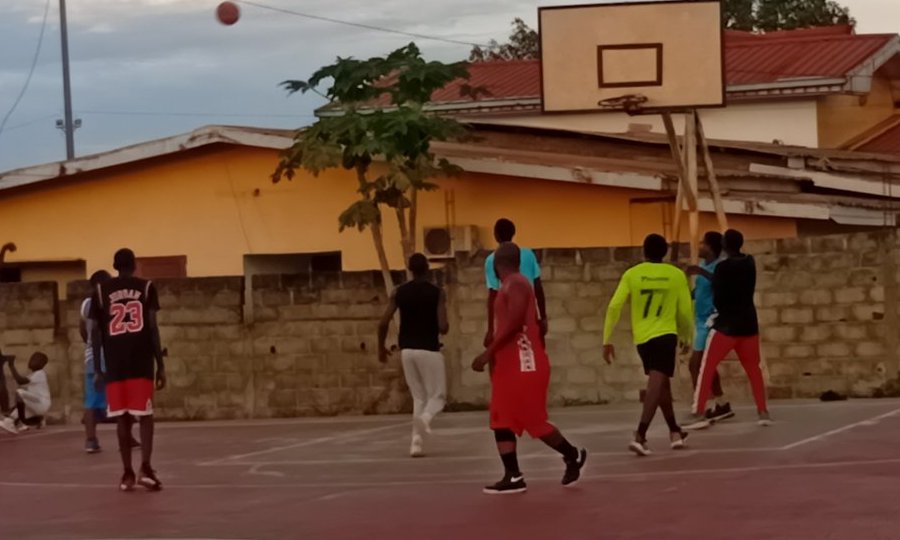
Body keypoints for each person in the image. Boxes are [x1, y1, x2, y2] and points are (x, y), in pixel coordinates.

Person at [472, 242, 586, 494]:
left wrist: (487, 352)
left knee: (534, 421)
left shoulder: (517, 284)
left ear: (496, 264)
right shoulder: (510, 284)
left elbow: (513, 323)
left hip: (525, 364)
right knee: (500, 417)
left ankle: (572, 455)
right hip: (510, 363)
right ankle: (513, 475)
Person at [602, 234, 693, 456]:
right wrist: (687, 336)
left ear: (644, 251)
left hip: (642, 338)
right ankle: (640, 434)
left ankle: (674, 431)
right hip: (665, 334)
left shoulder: (632, 274)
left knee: (660, 382)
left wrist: (607, 339)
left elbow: (614, 306)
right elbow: (684, 310)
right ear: (664, 252)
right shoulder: (676, 275)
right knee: (657, 383)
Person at [90, 248, 166, 492]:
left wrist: (99, 369)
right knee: (145, 416)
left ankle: (127, 473)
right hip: (141, 361)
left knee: (122, 418)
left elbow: (95, 333)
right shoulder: (146, 287)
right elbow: (152, 328)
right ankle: (146, 466)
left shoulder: (100, 291)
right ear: (134, 265)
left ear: (114, 265)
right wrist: (160, 365)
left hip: (115, 364)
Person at [690, 229, 772, 427]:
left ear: (725, 246)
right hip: (749, 324)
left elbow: (718, 294)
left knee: (706, 367)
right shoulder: (749, 262)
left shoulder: (723, 268)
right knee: (754, 370)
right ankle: (763, 412)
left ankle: (700, 412)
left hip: (727, 326)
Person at [378, 253, 449, 458]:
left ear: (409, 269)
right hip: (429, 349)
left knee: (419, 397)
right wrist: (445, 325)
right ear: (427, 269)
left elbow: (383, 323)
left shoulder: (399, 292)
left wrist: (380, 348)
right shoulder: (437, 292)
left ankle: (416, 443)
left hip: (407, 351)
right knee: (438, 396)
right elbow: (443, 326)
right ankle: (426, 418)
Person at [81, 270, 140, 453]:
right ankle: (127, 437)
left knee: (91, 401)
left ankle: (91, 440)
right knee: (123, 400)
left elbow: (83, 330)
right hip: (113, 357)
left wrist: (90, 346)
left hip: (92, 358)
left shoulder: (86, 304)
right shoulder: (112, 300)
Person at [683, 231, 733, 429]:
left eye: (703, 244)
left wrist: (700, 272)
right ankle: (721, 404)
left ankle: (702, 407)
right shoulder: (704, 266)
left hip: (711, 320)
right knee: (707, 365)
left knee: (695, 365)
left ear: (711, 247)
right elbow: (701, 290)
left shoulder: (719, 266)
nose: (700, 247)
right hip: (700, 320)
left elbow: (722, 283)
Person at [484, 219, 547, 347]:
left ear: (495, 235)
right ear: (514, 233)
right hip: (529, 313)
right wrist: (543, 316)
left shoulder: (492, 259)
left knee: (509, 353)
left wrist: (491, 329)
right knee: (533, 349)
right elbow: (538, 287)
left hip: (507, 317)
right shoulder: (528, 254)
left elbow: (493, 295)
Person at [0, 352, 51, 434]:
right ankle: (37, 420)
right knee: (13, 415)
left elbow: (20, 381)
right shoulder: (33, 375)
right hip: (35, 404)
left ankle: (20, 422)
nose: (32, 361)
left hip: (41, 402)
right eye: (32, 359)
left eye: (36, 360)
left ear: (42, 364)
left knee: (20, 392)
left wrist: (11, 365)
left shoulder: (40, 374)